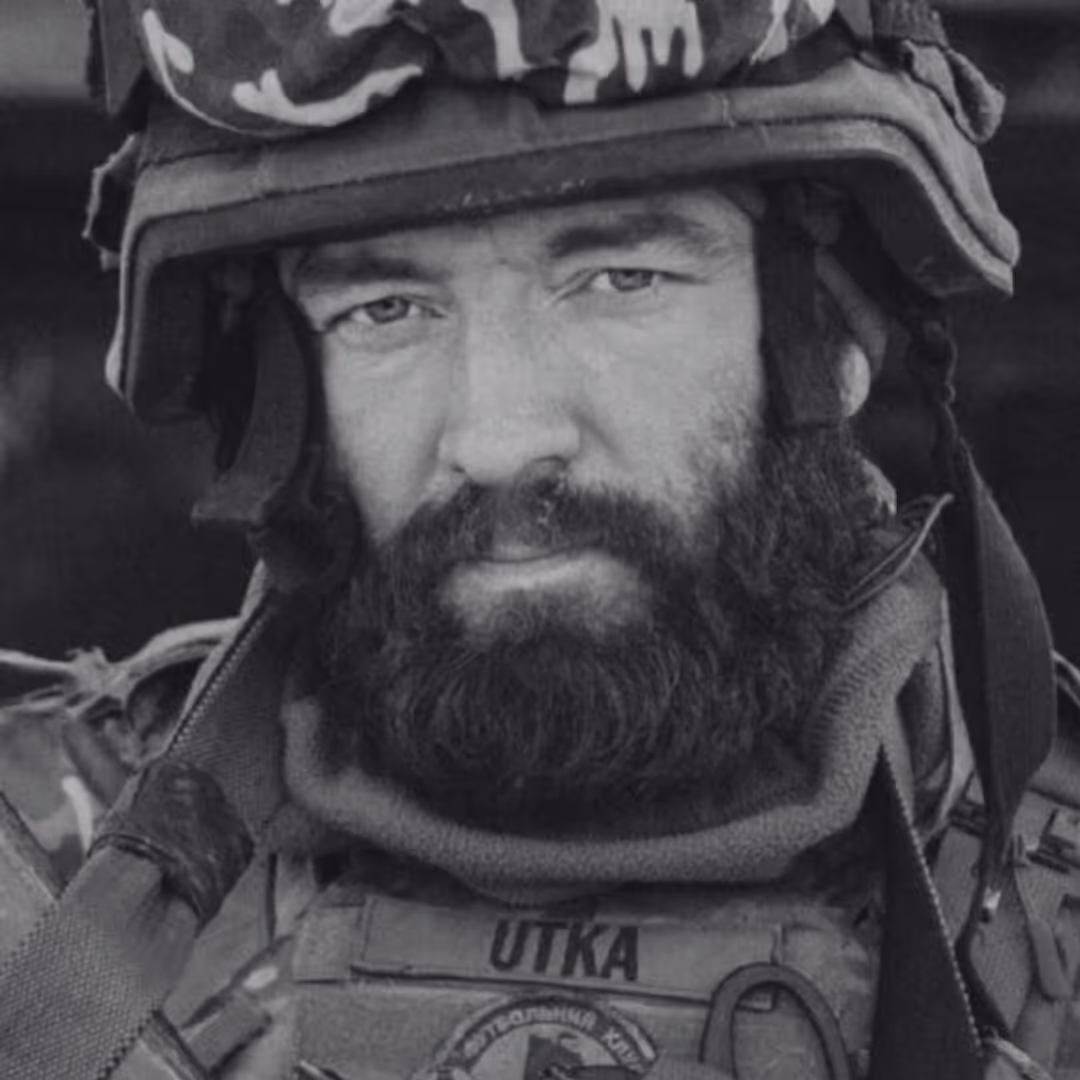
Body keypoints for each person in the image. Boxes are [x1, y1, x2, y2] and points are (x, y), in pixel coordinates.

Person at [1, 2, 1078, 1078]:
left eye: (621, 280)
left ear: (829, 339)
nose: (501, 438)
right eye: (386, 308)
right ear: (291, 409)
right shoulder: (41, 872)